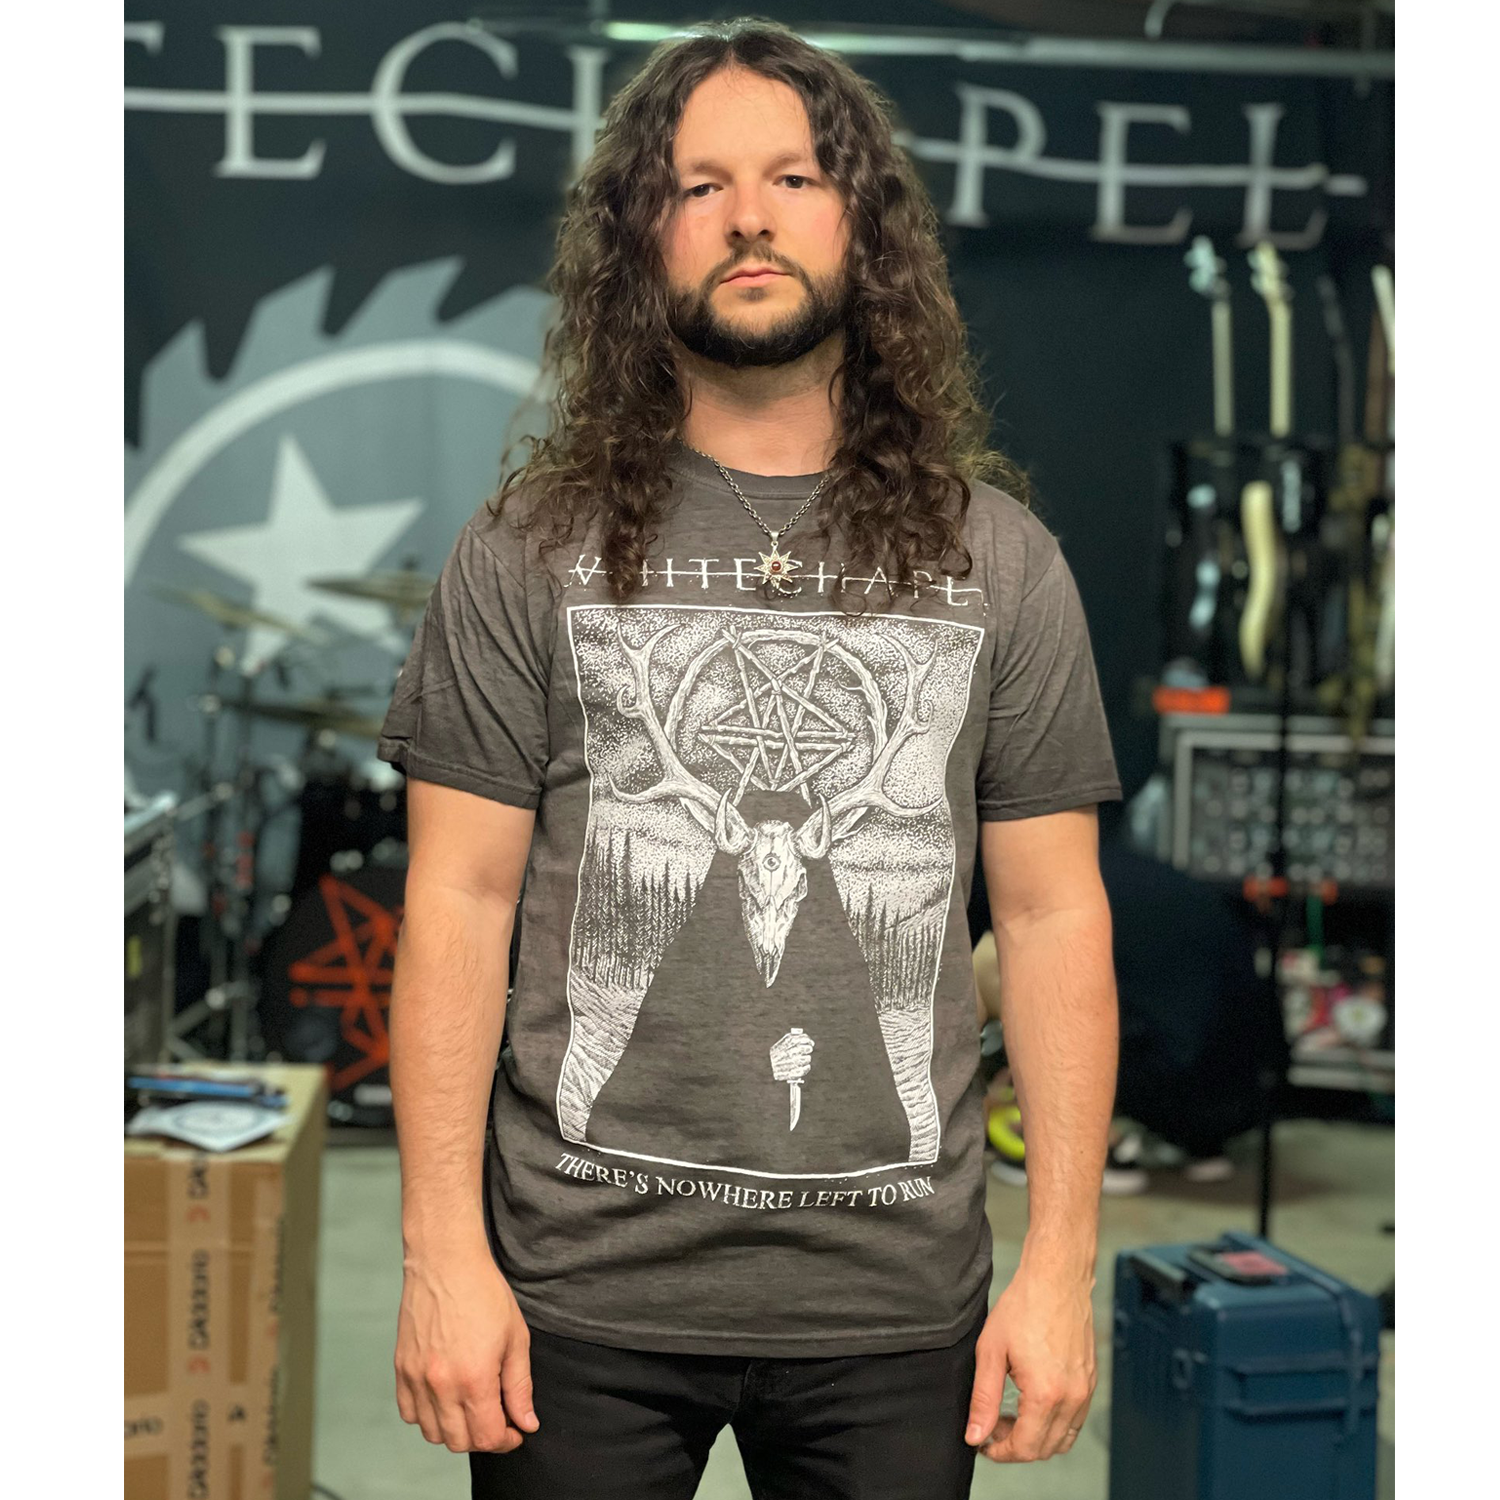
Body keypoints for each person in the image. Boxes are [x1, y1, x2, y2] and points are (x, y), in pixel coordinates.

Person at [377, 19, 1123, 1499]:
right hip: (573, 1295)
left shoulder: (1001, 562)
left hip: (895, 1306)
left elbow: (1051, 919)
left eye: (793, 176)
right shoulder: (530, 550)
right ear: (640, 236)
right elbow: (454, 906)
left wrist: (1059, 1270)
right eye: (700, 183)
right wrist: (441, 1254)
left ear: (864, 226)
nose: (750, 216)